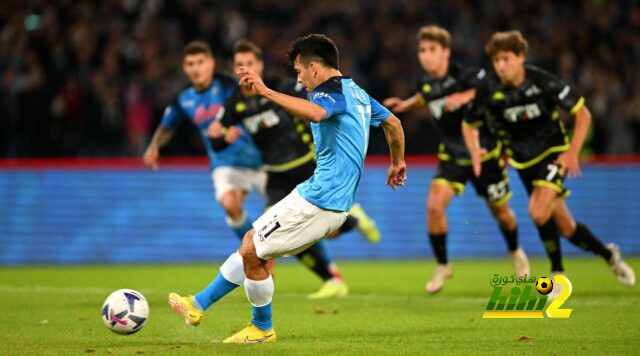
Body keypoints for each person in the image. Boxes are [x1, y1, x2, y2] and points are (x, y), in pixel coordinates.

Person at [168, 34, 406, 343]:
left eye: (299, 71)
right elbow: (394, 124)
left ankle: (261, 328)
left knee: (253, 249)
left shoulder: (328, 93)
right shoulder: (357, 92)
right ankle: (197, 304)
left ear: (314, 68)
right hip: (324, 198)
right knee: (251, 244)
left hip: (320, 200)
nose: (299, 79)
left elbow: (317, 113)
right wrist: (397, 162)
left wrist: (265, 91)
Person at [463, 30, 635, 295]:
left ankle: (558, 274)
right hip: (523, 163)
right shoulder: (489, 88)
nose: (501, 66)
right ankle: (608, 254)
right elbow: (469, 123)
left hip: (552, 153)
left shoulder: (540, 81)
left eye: (506, 59)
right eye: (496, 61)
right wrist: (474, 151)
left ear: (521, 57)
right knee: (566, 227)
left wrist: (571, 153)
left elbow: (583, 113)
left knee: (538, 212)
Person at [207, 39, 382, 299]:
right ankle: (331, 277)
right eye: (239, 65)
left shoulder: (282, 87)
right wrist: (221, 137)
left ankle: (352, 220)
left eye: (250, 64)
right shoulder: (234, 103)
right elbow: (216, 140)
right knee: (285, 232)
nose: (245, 69)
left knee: (320, 230)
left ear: (260, 65)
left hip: (305, 165)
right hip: (275, 173)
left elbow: (316, 106)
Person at [383, 25, 529, 293]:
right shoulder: (424, 82)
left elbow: (491, 86)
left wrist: (465, 94)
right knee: (434, 207)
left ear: (446, 52)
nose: (426, 56)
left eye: (432, 50)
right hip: (451, 155)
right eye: (422, 50)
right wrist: (406, 105)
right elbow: (426, 97)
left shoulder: (465, 75)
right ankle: (442, 265)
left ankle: (515, 250)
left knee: (502, 213)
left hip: (484, 154)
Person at [142, 41, 265, 240]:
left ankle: (325, 266)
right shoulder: (183, 98)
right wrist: (154, 146)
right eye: (190, 64)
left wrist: (235, 125)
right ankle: (258, 250)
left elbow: (250, 103)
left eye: (200, 62)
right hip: (224, 162)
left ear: (211, 63)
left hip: (259, 157)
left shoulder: (227, 84)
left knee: (289, 212)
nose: (196, 68)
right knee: (230, 206)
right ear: (184, 68)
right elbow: (167, 126)